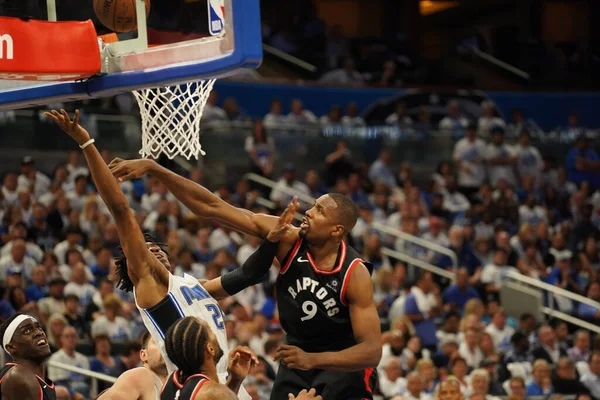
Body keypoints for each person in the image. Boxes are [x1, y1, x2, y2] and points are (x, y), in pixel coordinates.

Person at [47, 109, 299, 399]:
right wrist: (85, 142)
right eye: (146, 250)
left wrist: (271, 239)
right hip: (197, 391)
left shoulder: (194, 287)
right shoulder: (151, 290)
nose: (153, 252)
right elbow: (120, 209)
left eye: (157, 248)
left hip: (223, 386)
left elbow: (248, 274)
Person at [108, 149, 382, 398]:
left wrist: (315, 360)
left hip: (340, 363)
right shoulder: (287, 236)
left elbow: (371, 352)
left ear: (337, 231)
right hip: (297, 356)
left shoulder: (353, 273)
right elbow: (212, 207)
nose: (308, 212)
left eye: (319, 211)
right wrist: (155, 169)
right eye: (313, 206)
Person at [96, 333, 168, 400]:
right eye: (157, 341)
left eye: (168, 343)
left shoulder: (175, 387)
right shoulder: (141, 376)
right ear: (144, 355)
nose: (164, 347)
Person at [0, 314, 55, 400]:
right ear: (11, 347)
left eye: (39, 327)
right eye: (27, 331)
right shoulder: (19, 377)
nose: (39, 333)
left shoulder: (35, 377)